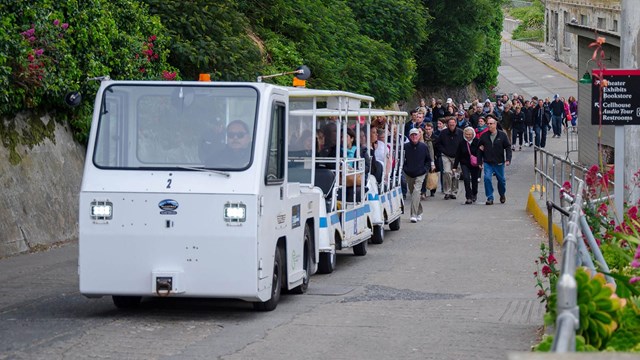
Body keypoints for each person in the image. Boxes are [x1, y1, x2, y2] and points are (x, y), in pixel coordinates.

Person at [478, 114, 512, 205]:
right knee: (487, 179)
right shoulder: (484, 136)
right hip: (488, 162)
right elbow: (479, 149)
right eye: (487, 124)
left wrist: (508, 159)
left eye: (491, 124)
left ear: (495, 125)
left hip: (499, 162)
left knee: (501, 180)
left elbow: (508, 147)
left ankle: (502, 194)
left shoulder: (502, 135)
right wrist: (479, 161)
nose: (489, 125)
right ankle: (490, 197)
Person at [404, 128, 434, 222]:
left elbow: (428, 160)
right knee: (413, 194)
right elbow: (402, 159)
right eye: (412, 135)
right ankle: (419, 211)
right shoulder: (405, 146)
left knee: (417, 192)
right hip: (409, 173)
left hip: (420, 173)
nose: (414, 137)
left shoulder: (423, 146)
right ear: (409, 136)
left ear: (419, 136)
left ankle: (413, 214)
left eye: (416, 135)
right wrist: (405, 169)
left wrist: (425, 170)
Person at [436, 117, 464, 200]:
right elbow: (438, 144)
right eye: (450, 123)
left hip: (457, 156)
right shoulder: (443, 133)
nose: (452, 125)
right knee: (447, 172)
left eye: (453, 123)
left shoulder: (460, 132)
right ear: (448, 124)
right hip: (446, 156)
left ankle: (454, 192)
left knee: (456, 174)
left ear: (455, 123)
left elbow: (463, 144)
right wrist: (443, 151)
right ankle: (447, 191)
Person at [453, 127, 480, 204]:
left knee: (474, 180)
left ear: (473, 134)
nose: (468, 136)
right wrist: (455, 167)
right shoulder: (462, 142)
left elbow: (480, 153)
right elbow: (458, 155)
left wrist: (480, 163)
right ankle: (468, 197)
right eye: (466, 134)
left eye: (470, 134)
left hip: (475, 164)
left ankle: (474, 193)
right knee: (466, 178)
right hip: (464, 163)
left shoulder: (477, 141)